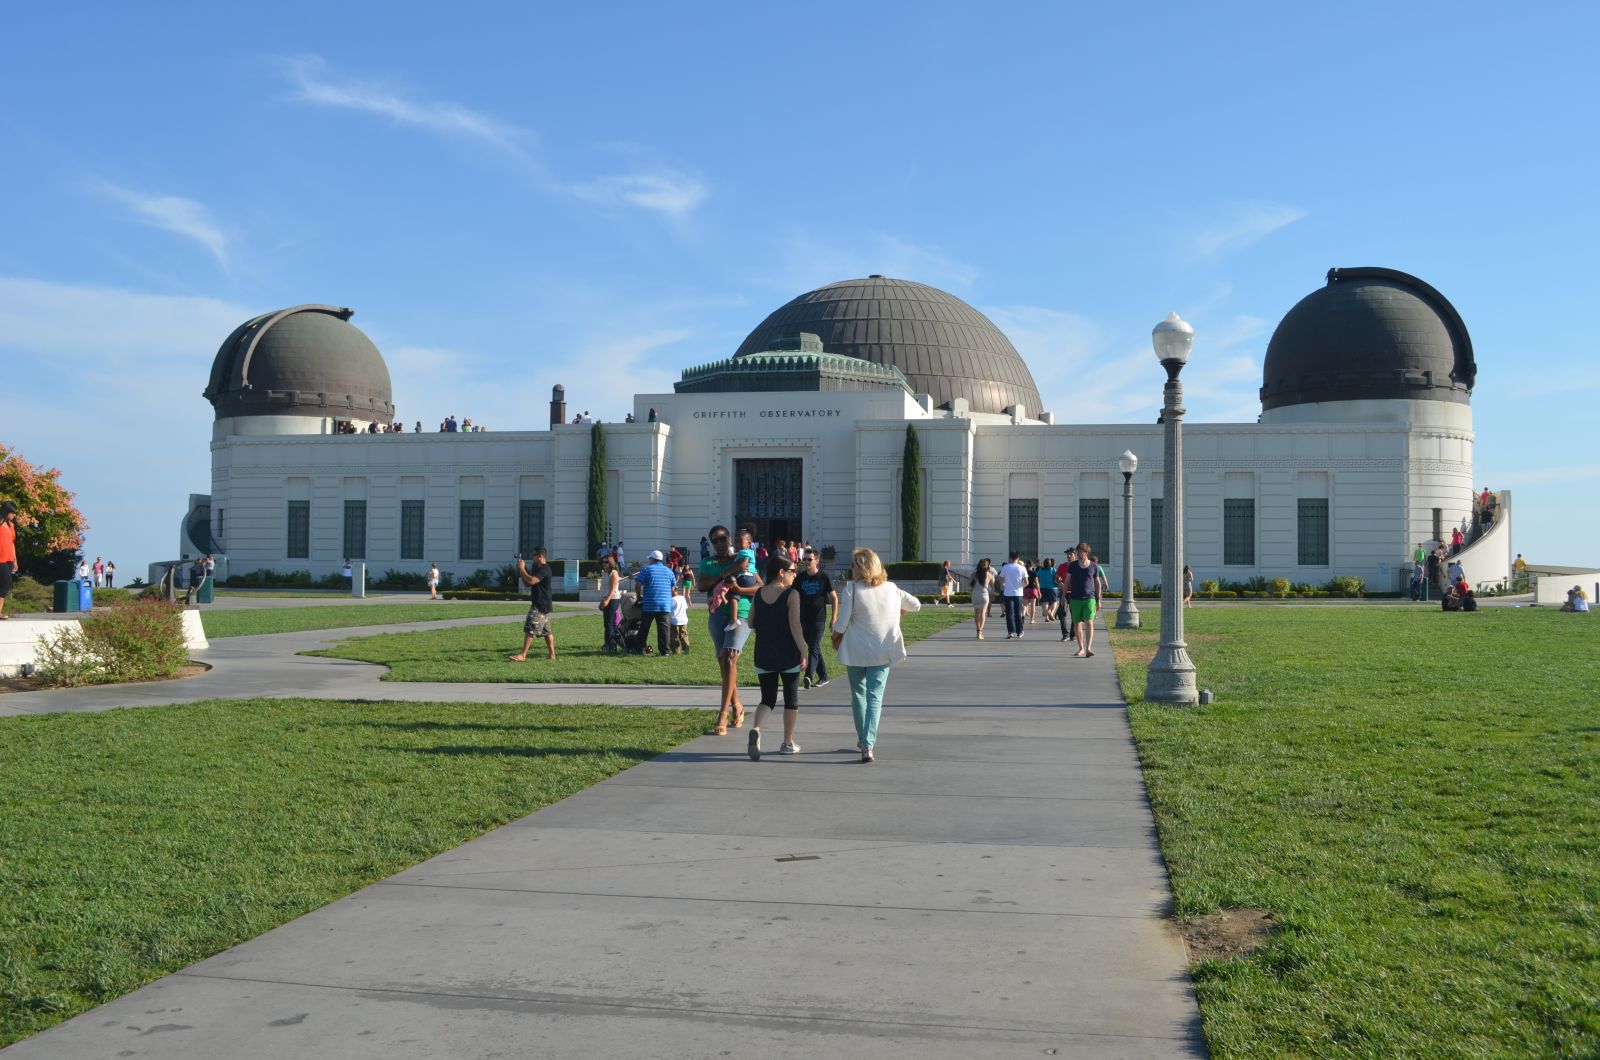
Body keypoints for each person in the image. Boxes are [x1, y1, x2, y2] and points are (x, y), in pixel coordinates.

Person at [831, 547, 922, 764]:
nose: (850, 568)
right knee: (875, 698)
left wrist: (833, 635)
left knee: (859, 696)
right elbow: (917, 605)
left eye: (853, 564)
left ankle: (863, 739)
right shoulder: (891, 588)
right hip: (882, 651)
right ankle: (868, 744)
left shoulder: (852, 590)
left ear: (861, 567)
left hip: (855, 652)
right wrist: (901, 612)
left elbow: (842, 624)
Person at [747, 553, 808, 760]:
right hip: (788, 653)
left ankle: (756, 728)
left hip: (763, 652)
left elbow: (750, 622)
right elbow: (795, 626)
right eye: (792, 571)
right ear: (781, 573)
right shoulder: (792, 595)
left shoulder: (758, 592)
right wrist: (804, 650)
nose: (794, 575)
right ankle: (787, 742)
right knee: (791, 699)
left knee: (768, 698)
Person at [697, 525, 751, 735]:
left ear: (730, 539)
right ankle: (737, 705)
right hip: (717, 614)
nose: (719, 543)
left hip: (742, 613)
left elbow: (759, 586)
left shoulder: (742, 557)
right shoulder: (707, 562)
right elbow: (702, 586)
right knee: (724, 661)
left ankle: (723, 713)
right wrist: (727, 572)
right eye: (715, 541)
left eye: (722, 539)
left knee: (729, 657)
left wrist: (738, 589)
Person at [794, 548, 837, 689]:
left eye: (809, 559)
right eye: (804, 559)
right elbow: (792, 596)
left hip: (819, 619)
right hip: (803, 619)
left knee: (813, 647)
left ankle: (808, 676)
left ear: (817, 561)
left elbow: (834, 598)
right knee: (815, 647)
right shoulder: (800, 578)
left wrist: (834, 617)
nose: (806, 562)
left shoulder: (824, 577)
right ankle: (823, 677)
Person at [508, 547, 556, 661]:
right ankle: (552, 655)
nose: (532, 557)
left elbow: (532, 580)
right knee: (546, 631)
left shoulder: (545, 569)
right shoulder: (536, 567)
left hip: (541, 604)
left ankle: (523, 655)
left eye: (534, 555)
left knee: (530, 626)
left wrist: (523, 569)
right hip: (541, 602)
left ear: (541, 556)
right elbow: (527, 583)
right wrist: (522, 570)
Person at [634, 549, 675, 656]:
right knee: (664, 629)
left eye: (650, 559)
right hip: (665, 605)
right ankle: (665, 651)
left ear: (652, 559)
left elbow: (638, 584)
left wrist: (639, 597)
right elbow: (674, 588)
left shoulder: (647, 569)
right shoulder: (669, 571)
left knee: (644, 628)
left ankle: (640, 649)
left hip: (649, 604)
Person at [1064, 543, 1099, 657]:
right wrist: (1063, 596)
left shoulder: (1093, 566)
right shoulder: (1073, 566)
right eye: (1077, 551)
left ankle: (1089, 648)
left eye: (1080, 552)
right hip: (1075, 599)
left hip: (1090, 598)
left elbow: (1097, 583)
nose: (1077, 553)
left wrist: (1099, 599)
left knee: (1089, 622)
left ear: (1086, 553)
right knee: (1077, 623)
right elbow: (1067, 581)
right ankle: (1081, 649)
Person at [998, 552, 1027, 638]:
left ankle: (1010, 631)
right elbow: (1026, 582)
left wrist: (1002, 586)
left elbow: (1001, 579)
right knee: (1018, 613)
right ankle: (1019, 631)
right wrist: (1022, 587)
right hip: (1018, 594)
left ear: (1010, 558)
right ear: (1018, 558)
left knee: (1009, 613)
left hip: (1007, 593)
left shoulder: (1005, 567)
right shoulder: (1022, 568)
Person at [598, 556, 624, 654]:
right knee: (607, 624)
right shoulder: (604, 573)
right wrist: (603, 599)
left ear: (610, 563)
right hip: (606, 598)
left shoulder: (614, 573)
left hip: (613, 599)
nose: (603, 563)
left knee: (610, 623)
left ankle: (612, 645)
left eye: (606, 562)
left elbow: (613, 589)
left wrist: (607, 600)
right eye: (602, 562)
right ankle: (610, 644)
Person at [1056, 550, 1078, 641]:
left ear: (1075, 555)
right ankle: (1065, 634)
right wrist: (1059, 583)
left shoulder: (1078, 566)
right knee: (1062, 613)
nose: (1069, 556)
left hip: (1075, 593)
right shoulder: (1062, 566)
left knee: (1074, 615)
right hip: (1063, 593)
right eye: (1067, 554)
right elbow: (1056, 578)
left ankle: (1073, 635)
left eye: (1071, 554)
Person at [0, 501, 17, 620]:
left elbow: (12, 543)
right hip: (0, 559)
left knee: (3, 585)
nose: (14, 515)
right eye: (12, 513)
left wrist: (15, 560)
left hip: (9, 559)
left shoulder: (11, 525)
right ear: (6, 512)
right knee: (6, 583)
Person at [969, 558, 994, 639]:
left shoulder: (974, 574)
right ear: (988, 566)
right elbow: (992, 587)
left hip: (975, 594)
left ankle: (977, 630)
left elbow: (970, 584)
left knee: (976, 613)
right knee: (983, 613)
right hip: (984, 595)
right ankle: (981, 631)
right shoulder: (990, 575)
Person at [668, 582, 691, 653]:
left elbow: (668, 610)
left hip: (674, 621)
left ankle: (676, 651)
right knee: (684, 635)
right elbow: (686, 607)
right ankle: (686, 645)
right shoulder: (682, 598)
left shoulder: (672, 600)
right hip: (684, 620)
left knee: (674, 637)